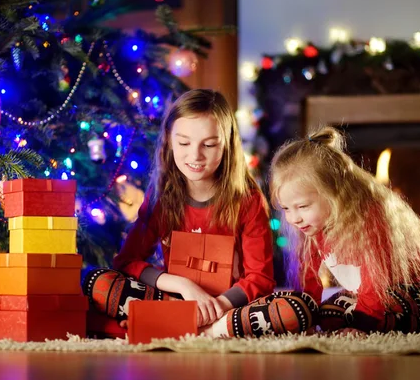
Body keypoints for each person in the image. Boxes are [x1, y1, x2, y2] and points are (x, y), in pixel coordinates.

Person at [82, 89, 276, 329]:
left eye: (210, 144)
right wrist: (183, 286)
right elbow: (127, 261)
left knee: (295, 309)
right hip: (173, 299)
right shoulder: (163, 195)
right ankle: (179, 322)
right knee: (95, 281)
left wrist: (217, 306)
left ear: (227, 143)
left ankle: (176, 325)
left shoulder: (247, 199)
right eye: (184, 142)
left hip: (228, 309)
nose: (196, 155)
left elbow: (261, 277)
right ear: (169, 140)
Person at [266, 126, 420, 334]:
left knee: (371, 315)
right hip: (371, 290)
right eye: (286, 209)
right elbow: (309, 277)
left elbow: (375, 284)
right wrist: (306, 316)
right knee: (329, 316)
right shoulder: (312, 225)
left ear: (333, 193)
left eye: (302, 207)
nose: (293, 218)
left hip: (419, 288)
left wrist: (360, 327)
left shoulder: (369, 218)